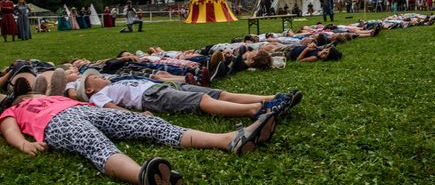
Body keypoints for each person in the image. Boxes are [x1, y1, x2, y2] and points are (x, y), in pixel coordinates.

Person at [0, 93, 277, 184]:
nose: (30, 97)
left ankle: (228, 139)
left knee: (149, 124)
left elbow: (93, 103)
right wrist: (25, 144)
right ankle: (142, 175)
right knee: (94, 144)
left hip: (84, 110)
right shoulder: (14, 109)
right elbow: (10, 129)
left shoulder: (52, 96)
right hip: (57, 124)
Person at [74, 69, 301, 120]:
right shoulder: (97, 97)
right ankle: (256, 110)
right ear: (89, 89)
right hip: (152, 98)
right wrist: (138, 116)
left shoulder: (114, 82)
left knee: (219, 93)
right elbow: (111, 110)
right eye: (93, 78)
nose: (98, 76)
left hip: (163, 88)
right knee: (202, 101)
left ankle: (271, 98)